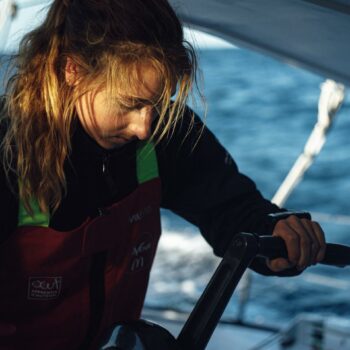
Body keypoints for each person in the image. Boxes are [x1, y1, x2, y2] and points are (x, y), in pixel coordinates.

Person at [0, 0, 326, 349]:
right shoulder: (9, 150)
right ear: (73, 71)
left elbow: (232, 212)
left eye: (156, 104)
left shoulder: (168, 135)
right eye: (130, 104)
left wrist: (278, 231)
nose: (144, 127)